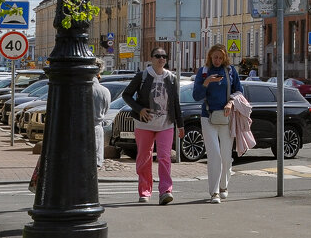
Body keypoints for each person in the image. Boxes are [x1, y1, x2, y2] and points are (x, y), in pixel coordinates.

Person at [122, 48, 183, 204]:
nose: (161, 59)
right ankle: (144, 191)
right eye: (158, 56)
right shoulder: (142, 76)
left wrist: (180, 125)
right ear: (151, 58)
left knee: (164, 157)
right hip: (144, 124)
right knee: (144, 157)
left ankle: (166, 191)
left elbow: (175, 102)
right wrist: (139, 109)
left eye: (164, 56)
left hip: (166, 124)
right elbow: (126, 95)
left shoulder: (171, 78)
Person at [194, 44, 243, 204]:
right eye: (215, 57)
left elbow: (239, 91)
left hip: (226, 117)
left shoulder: (230, 71)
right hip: (208, 117)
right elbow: (196, 95)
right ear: (210, 56)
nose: (217, 60)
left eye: (221, 58)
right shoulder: (203, 72)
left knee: (226, 156)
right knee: (214, 154)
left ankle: (224, 186)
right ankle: (214, 192)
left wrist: (230, 103)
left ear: (225, 58)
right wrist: (207, 82)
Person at [91, 59, 112, 169]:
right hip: (96, 129)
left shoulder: (78, 88)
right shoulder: (104, 91)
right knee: (94, 166)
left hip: (78, 131)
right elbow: (106, 110)